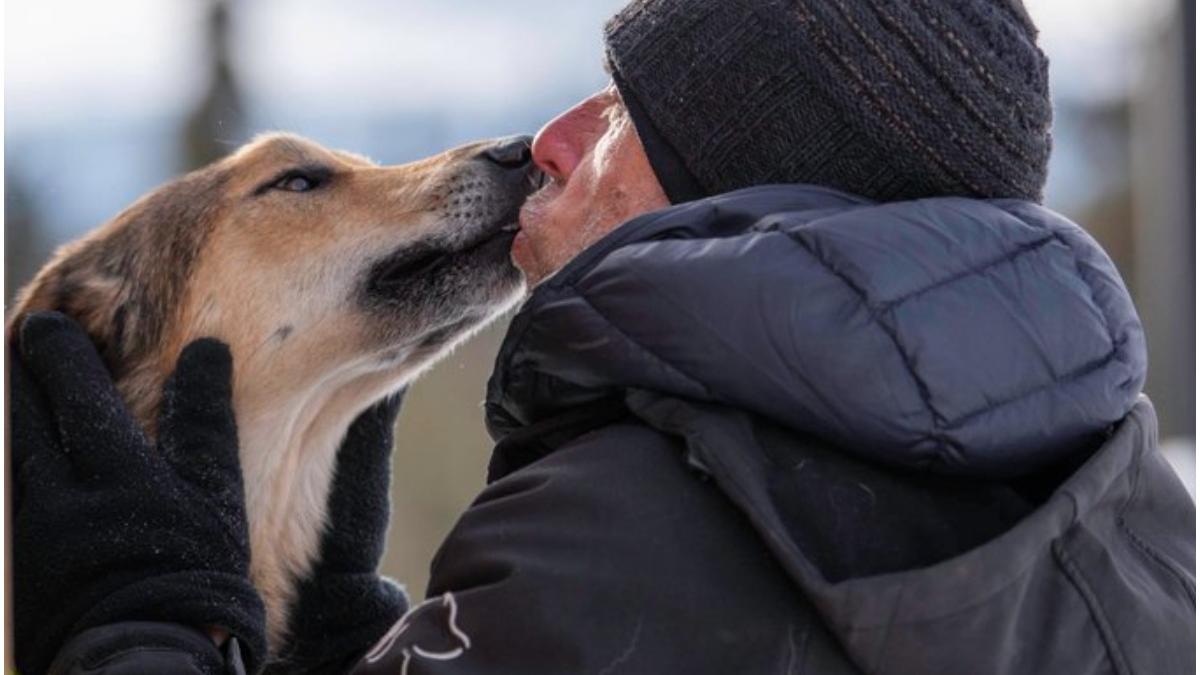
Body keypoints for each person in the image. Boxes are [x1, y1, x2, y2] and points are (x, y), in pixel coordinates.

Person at [11, 1, 1195, 673]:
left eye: (627, 115)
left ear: (744, 191)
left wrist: (131, 636)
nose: (550, 141)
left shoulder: (636, 537)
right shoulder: (1122, 524)